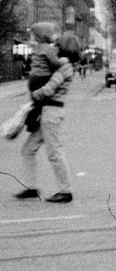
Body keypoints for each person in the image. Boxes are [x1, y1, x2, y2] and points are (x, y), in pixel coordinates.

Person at [16, 22, 75, 203]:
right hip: (48, 111)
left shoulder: (64, 67)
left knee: (54, 152)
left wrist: (34, 95)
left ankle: (66, 191)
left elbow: (50, 88)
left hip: (51, 111)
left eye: (57, 46)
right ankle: (30, 187)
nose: (54, 48)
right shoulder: (60, 65)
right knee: (28, 149)